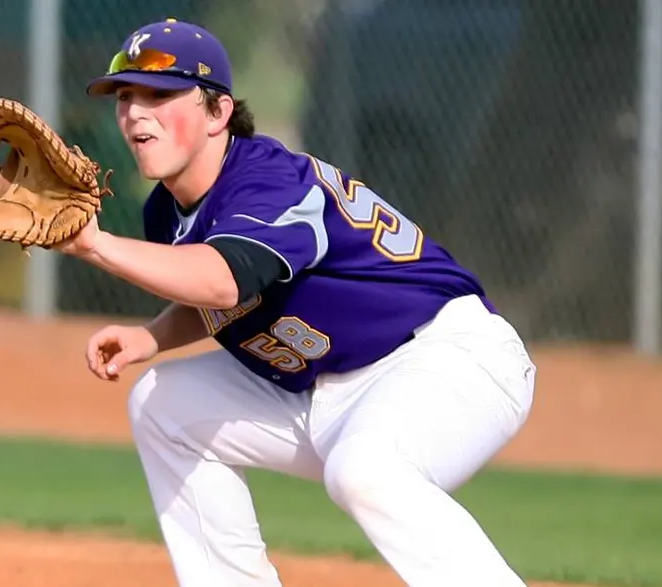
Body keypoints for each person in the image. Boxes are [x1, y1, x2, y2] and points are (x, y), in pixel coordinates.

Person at [58, 19, 537, 587]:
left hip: (445, 360)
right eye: (125, 97)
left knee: (365, 471)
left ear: (218, 112)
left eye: (160, 95)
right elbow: (226, 291)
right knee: (162, 404)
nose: (136, 113)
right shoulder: (166, 211)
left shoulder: (268, 182)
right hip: (326, 389)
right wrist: (153, 337)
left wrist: (95, 245)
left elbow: (225, 279)